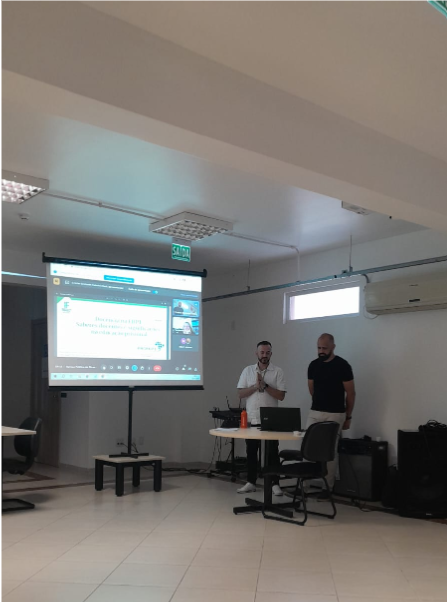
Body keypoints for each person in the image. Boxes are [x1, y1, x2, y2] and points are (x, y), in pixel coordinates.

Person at [306, 333, 355, 499]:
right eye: (319, 348)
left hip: (336, 413)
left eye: (324, 348)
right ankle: (305, 484)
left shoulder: (342, 365)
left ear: (333, 347)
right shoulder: (313, 365)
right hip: (315, 411)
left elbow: (351, 393)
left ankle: (328, 487)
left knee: (330, 451)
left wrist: (348, 416)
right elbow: (312, 389)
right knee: (307, 447)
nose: (321, 351)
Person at [237, 341, 287, 496]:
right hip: (252, 418)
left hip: (271, 420)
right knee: (251, 451)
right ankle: (251, 482)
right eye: (262, 352)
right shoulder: (248, 371)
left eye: (267, 352)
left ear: (271, 354)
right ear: (256, 353)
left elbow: (281, 395)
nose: (264, 355)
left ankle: (275, 483)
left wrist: (265, 386)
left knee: (272, 452)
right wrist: (255, 386)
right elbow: (240, 393)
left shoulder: (277, 371)